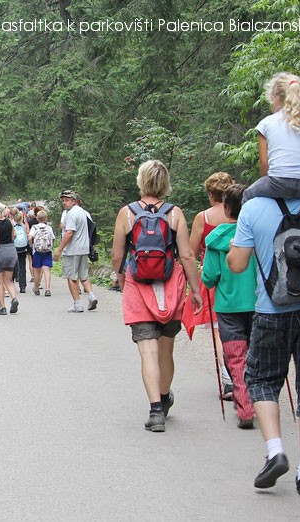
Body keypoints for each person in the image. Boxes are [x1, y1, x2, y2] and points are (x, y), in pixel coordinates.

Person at [228, 192, 300, 495]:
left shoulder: (254, 207)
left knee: (261, 379)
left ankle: (275, 452)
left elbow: (237, 264)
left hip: (272, 310)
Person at [111, 160, 202, 433]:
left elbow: (118, 255)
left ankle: (155, 412)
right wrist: (195, 289)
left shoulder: (126, 214)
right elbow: (186, 255)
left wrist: (121, 276)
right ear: (165, 184)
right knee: (166, 348)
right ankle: (164, 398)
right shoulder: (175, 214)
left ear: (141, 181)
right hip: (169, 287)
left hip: (139, 287)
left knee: (147, 351)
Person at [200, 184, 256, 429]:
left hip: (228, 306)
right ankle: (262, 400)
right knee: (257, 354)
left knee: (235, 357)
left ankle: (245, 408)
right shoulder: (259, 234)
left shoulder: (216, 240)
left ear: (226, 208)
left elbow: (209, 277)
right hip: (259, 305)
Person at [189, 172, 236, 400]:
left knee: (219, 330)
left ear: (210, 193)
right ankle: (242, 372)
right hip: (240, 274)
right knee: (241, 326)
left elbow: (190, 251)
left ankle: (228, 378)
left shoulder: (203, 218)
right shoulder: (239, 215)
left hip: (213, 277)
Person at [243, 72, 300, 202]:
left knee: (248, 195)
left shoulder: (266, 123)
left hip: (279, 182)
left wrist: (267, 182)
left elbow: (264, 164)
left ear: (274, 97)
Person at [53, 190, 98, 312]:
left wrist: (59, 249)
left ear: (74, 201)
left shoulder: (71, 214)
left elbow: (69, 232)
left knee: (72, 277)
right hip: (84, 248)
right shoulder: (83, 212)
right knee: (84, 274)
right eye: (63, 200)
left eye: (67, 200)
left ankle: (77, 304)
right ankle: (91, 295)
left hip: (73, 249)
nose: (64, 203)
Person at [28, 210, 55, 297]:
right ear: (46, 218)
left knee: (37, 270)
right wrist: (51, 246)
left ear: (37, 218)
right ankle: (47, 289)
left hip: (37, 251)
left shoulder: (34, 227)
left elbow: (30, 237)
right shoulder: (49, 228)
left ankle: (36, 287)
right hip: (47, 251)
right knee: (46, 270)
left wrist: (31, 245)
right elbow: (53, 238)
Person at [11, 209, 29, 293]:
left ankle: (11, 284)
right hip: (23, 248)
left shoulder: (12, 225)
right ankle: (22, 286)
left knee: (12, 266)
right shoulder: (24, 225)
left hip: (14, 248)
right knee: (22, 266)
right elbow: (28, 234)